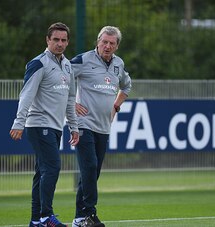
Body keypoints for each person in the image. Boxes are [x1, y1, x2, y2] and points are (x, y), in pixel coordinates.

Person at [9, 22, 79, 227]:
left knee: (42, 172)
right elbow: (26, 95)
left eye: (63, 40)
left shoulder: (68, 66)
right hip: (38, 124)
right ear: (47, 40)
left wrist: (73, 127)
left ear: (67, 42)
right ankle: (46, 216)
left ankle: (35, 221)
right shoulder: (38, 63)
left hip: (56, 126)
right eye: (55, 39)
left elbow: (70, 98)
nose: (59, 43)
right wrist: (18, 122)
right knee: (53, 167)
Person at [70, 26, 132, 227]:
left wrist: (116, 106)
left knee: (92, 173)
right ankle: (90, 214)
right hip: (83, 124)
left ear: (116, 46)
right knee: (89, 168)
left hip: (103, 127)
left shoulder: (118, 64)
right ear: (98, 41)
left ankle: (79, 219)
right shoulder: (83, 60)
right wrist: (70, 104)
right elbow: (61, 77)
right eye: (104, 41)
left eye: (111, 43)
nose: (107, 46)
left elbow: (126, 86)